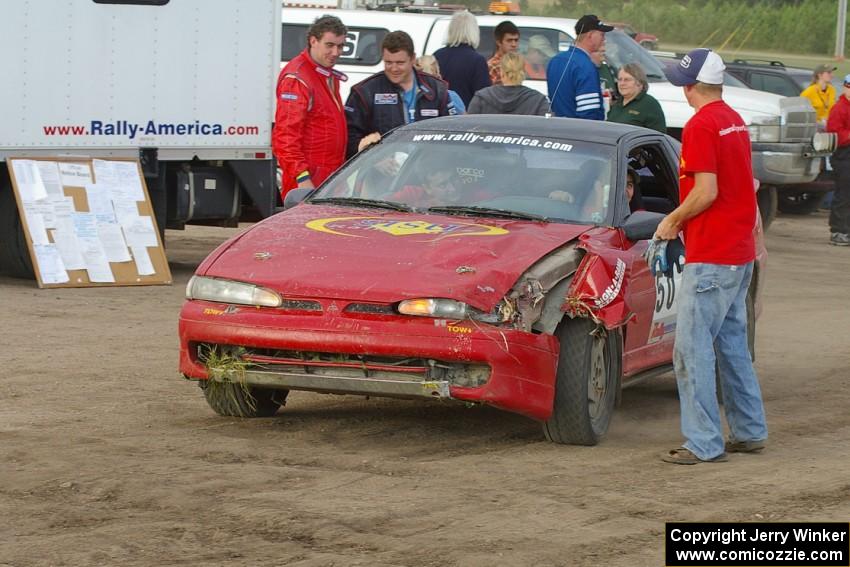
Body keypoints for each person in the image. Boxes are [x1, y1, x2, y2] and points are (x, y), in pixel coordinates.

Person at [656, 48, 768, 465]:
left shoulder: (702, 124)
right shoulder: (733, 121)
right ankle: (749, 430)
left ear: (689, 87)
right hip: (737, 252)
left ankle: (703, 442)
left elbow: (706, 192)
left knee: (691, 350)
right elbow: (740, 186)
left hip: (713, 253)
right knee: (732, 345)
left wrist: (673, 220)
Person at [345, 31, 456, 159]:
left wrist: (441, 171)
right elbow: (349, 139)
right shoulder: (365, 91)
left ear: (413, 59)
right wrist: (375, 158)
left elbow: (452, 135)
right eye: (388, 62)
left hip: (427, 172)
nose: (394, 68)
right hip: (378, 175)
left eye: (400, 63)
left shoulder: (437, 89)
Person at [273, 15, 348, 199]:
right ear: (313, 41)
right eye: (329, 45)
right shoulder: (298, 78)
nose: (336, 52)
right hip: (310, 178)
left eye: (340, 46)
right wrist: (302, 177)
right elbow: (285, 137)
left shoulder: (324, 74)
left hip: (330, 175)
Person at [546, 14, 612, 120]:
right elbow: (589, 112)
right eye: (602, 35)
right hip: (580, 132)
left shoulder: (555, 61)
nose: (604, 40)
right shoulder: (585, 66)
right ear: (590, 35)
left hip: (558, 127)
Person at [433, 11, 491, 107]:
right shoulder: (477, 61)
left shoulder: (437, 56)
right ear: (474, 31)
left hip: (440, 117)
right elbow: (483, 99)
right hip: (466, 118)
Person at [468, 52, 549, 116]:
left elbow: (469, 127)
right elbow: (546, 129)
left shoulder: (481, 98)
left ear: (501, 72)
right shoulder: (538, 100)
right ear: (524, 72)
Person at [825, 73, 850, 246]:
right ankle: (838, 231)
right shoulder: (840, 108)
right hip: (844, 155)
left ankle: (845, 230)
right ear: (845, 87)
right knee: (844, 194)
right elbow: (835, 134)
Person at [607, 63, 666, 133]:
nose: (622, 83)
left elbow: (659, 136)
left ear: (639, 83)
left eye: (627, 80)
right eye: (620, 79)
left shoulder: (650, 104)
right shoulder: (617, 103)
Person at [488, 21, 520, 85]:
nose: (514, 44)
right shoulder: (493, 66)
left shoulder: (518, 62)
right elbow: (490, 92)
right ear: (499, 42)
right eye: (509, 40)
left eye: (516, 40)